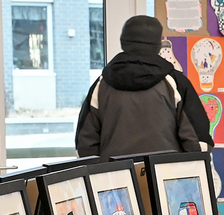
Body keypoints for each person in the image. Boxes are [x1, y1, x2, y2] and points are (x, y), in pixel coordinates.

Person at [75, 15, 213, 159]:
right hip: (164, 177)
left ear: (123, 42)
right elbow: (197, 142)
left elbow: (85, 146)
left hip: (115, 178)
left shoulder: (101, 84)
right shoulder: (175, 82)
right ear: (158, 45)